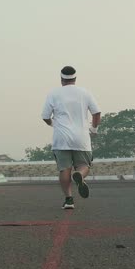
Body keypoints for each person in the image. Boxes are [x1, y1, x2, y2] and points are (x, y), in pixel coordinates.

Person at [41, 66, 101, 209]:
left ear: (61, 79)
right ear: (75, 78)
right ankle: (79, 174)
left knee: (64, 170)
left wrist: (54, 124)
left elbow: (45, 117)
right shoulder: (85, 92)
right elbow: (96, 113)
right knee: (84, 166)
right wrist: (94, 128)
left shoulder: (53, 94)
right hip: (81, 137)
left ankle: (69, 200)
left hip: (61, 139)